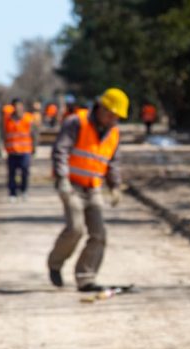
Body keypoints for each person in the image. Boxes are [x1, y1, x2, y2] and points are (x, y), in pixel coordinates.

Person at [48, 88, 128, 292]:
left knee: (99, 234)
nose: (113, 119)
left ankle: (86, 278)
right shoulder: (77, 122)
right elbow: (61, 150)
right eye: (110, 114)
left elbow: (113, 163)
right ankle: (55, 264)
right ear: (100, 107)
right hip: (71, 186)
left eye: (116, 116)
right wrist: (62, 179)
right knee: (75, 228)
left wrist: (115, 187)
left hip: (93, 188)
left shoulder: (114, 133)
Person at [3, 98, 37, 202]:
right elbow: (4, 134)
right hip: (12, 151)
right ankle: (12, 193)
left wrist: (34, 148)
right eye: (15, 105)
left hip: (25, 151)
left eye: (19, 105)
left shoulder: (29, 118)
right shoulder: (8, 119)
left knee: (25, 172)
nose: (18, 108)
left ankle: (24, 190)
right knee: (11, 173)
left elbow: (34, 134)